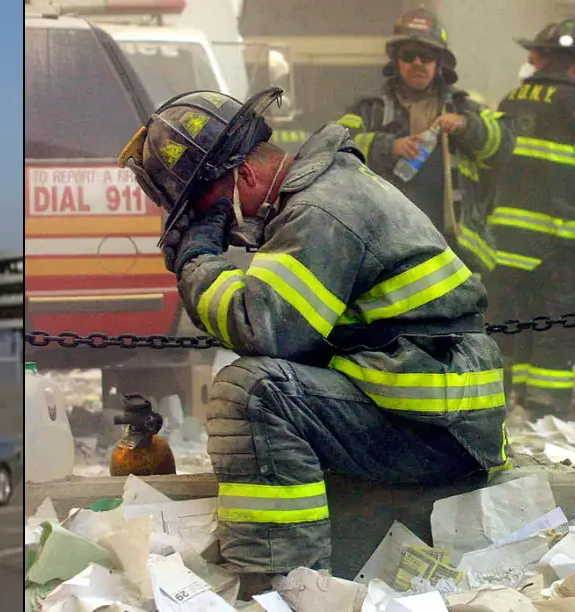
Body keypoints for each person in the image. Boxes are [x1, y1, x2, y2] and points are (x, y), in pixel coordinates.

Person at [117, 87, 509, 596]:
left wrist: (197, 260)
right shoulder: (322, 194)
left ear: (243, 176)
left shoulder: (319, 213)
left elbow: (261, 328)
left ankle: (284, 586)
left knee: (253, 392)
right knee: (271, 387)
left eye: (208, 208)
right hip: (431, 410)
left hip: (437, 426)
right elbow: (296, 336)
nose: (221, 227)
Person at [334, 7, 514, 274]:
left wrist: (466, 126)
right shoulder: (368, 108)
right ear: (396, 60)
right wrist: (387, 147)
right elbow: (334, 150)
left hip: (452, 252)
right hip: (386, 247)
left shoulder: (463, 106)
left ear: (439, 63)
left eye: (427, 56)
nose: (418, 62)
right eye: (408, 55)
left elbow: (505, 144)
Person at [488, 20, 575, 418]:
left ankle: (507, 399)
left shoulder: (511, 99)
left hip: (507, 237)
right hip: (562, 237)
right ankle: (547, 409)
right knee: (556, 321)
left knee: (513, 321)